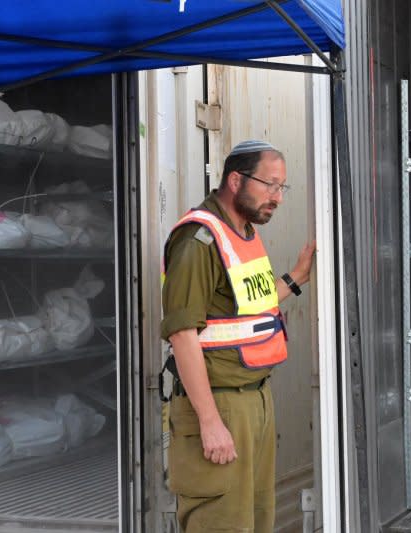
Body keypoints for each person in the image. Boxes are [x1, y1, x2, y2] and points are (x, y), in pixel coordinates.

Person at [161, 139, 316, 532]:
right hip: (220, 404)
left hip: (254, 399)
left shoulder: (242, 232)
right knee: (222, 523)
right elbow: (183, 335)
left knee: (256, 520)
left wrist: (296, 278)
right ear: (235, 180)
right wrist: (210, 421)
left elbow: (248, 304)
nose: (277, 198)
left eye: (282, 188)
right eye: (270, 185)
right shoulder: (200, 240)